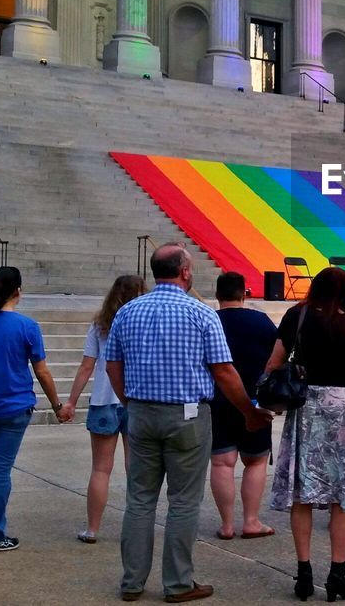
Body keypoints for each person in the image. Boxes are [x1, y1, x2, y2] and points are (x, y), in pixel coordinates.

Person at [104, 244, 268, 603]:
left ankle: (132, 581)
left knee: (140, 499)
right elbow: (223, 371)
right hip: (187, 415)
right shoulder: (200, 313)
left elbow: (112, 363)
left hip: (142, 413)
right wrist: (247, 411)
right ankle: (178, 582)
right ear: (185, 272)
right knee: (183, 501)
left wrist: (130, 400)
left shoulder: (128, 312)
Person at [267, 268, 345, 602]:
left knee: (302, 492)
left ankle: (304, 572)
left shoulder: (298, 315)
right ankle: (338, 573)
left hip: (306, 406)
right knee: (343, 495)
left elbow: (274, 362)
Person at [0, 266, 68, 554]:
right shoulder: (27, 326)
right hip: (14, 406)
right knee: (0, 470)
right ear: (18, 291)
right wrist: (57, 405)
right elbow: (41, 372)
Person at [61, 274, 147, 544]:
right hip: (135, 399)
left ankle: (93, 528)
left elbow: (88, 365)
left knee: (100, 469)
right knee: (137, 468)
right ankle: (137, 527)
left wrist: (72, 401)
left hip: (103, 400)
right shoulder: (143, 322)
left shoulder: (100, 325)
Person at [209, 272, 277, 541]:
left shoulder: (210, 319)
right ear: (244, 294)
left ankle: (226, 525)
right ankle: (251, 520)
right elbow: (278, 355)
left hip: (217, 400)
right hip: (255, 400)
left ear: (217, 295)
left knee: (222, 463)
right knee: (256, 461)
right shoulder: (261, 321)